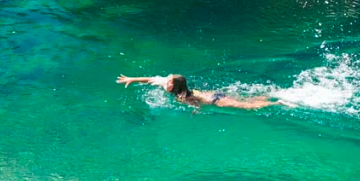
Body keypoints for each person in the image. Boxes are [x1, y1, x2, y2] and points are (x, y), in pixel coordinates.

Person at [116, 74, 283, 110]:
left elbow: (197, 105)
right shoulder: (168, 85)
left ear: (173, 87)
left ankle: (276, 102)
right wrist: (131, 79)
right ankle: (274, 95)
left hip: (216, 100)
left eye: (168, 81)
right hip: (214, 94)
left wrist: (195, 111)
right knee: (248, 99)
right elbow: (150, 78)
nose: (164, 81)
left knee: (247, 106)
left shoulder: (183, 97)